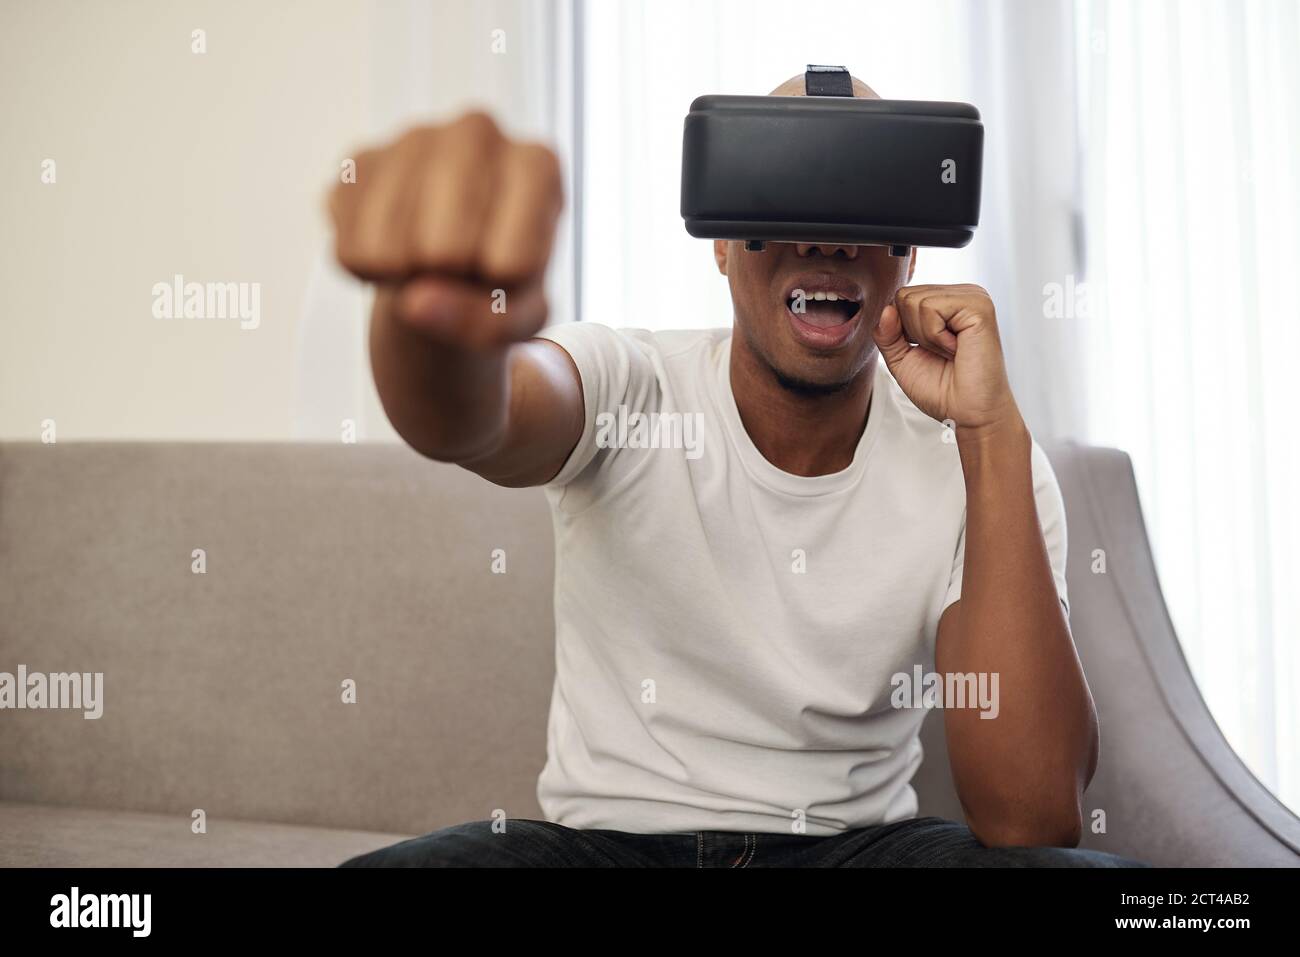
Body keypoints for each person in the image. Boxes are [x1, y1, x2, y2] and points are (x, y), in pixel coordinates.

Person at [330, 74, 1141, 867]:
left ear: (910, 252)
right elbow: (483, 415)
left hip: (856, 851)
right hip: (607, 848)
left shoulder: (986, 451)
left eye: (863, 201)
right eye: (784, 194)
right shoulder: (632, 383)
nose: (825, 240)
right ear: (720, 239)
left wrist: (991, 432)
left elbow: (1031, 813)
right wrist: (430, 318)